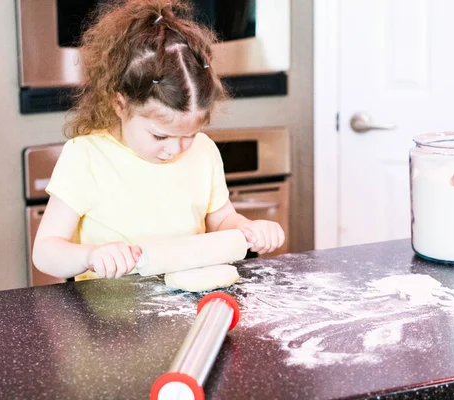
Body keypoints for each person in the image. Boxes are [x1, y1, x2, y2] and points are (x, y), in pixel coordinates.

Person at [32, 0, 285, 281]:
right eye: (160, 135)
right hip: (109, 317)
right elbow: (46, 252)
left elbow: (221, 220)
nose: (175, 149)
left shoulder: (203, 152)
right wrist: (90, 255)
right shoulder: (87, 158)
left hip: (190, 304)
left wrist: (248, 228)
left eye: (188, 135)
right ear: (120, 104)